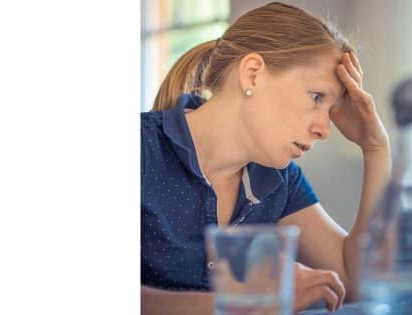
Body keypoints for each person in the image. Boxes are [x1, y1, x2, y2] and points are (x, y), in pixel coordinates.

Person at [141, 2, 391, 314]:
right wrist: (246, 304)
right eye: (316, 97)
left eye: (330, 110)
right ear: (253, 74)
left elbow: (355, 282)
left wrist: (376, 149)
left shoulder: (279, 181)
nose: (325, 129)